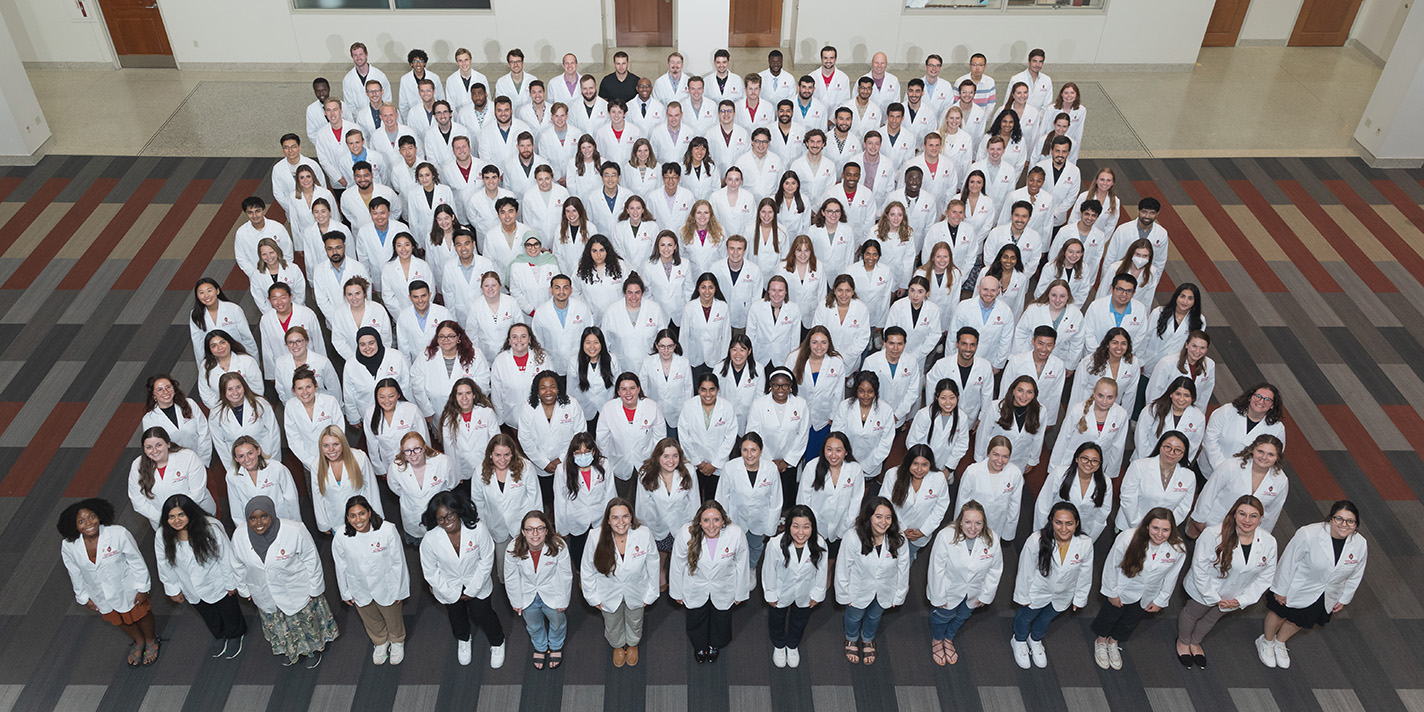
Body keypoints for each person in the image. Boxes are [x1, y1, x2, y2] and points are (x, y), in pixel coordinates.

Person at [1259, 501, 1367, 668]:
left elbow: (1356, 573)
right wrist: (1281, 588)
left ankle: (1280, 641)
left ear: (1356, 525)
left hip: (1326, 593)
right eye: (1339, 518)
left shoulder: (1360, 543)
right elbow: (1289, 561)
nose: (1344, 524)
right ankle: (1266, 641)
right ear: (1330, 519)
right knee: (1280, 614)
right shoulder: (1308, 533)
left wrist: (1345, 597)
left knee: (1301, 620)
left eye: (1350, 521)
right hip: (1297, 585)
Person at [232, 496, 336, 668]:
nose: (259, 523)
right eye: (253, 518)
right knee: (278, 622)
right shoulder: (239, 536)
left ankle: (312, 649)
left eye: (264, 516)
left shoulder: (294, 530)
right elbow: (237, 565)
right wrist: (244, 590)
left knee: (305, 622)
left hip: (296, 588)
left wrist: (315, 588)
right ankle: (289, 649)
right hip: (263, 591)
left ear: (272, 514)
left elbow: (312, 560)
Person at [1178, 495, 1277, 669]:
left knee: (1212, 618)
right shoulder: (1213, 534)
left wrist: (1243, 599)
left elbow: (1266, 576)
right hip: (1205, 588)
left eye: (1253, 516)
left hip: (1235, 595)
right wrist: (1213, 596)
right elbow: (1199, 567)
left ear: (1261, 518)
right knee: (1192, 613)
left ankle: (1195, 642)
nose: (1247, 520)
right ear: (1233, 514)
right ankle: (1183, 642)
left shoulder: (1269, 542)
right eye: (1242, 514)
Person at [59, 498, 159, 667]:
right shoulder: (69, 545)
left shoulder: (118, 533)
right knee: (118, 619)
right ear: (74, 525)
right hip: (99, 592)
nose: (89, 523)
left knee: (141, 614)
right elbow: (74, 572)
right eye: (81, 521)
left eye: (92, 517)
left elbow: (136, 561)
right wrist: (83, 597)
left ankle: (150, 640)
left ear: (99, 515)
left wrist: (143, 587)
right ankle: (138, 641)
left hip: (128, 587)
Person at [420, 491, 506, 668]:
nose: (446, 521)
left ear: (458, 511)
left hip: (477, 584)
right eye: (441, 518)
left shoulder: (477, 529)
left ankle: (498, 642)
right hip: (448, 588)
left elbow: (486, 559)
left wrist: (472, 590)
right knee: (456, 616)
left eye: (450, 515)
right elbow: (430, 572)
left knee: (484, 614)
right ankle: (464, 639)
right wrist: (451, 593)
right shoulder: (430, 540)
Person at [155, 494, 246, 659]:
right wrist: (173, 589)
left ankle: (235, 634)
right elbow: (164, 564)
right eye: (171, 517)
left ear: (190, 512)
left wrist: (230, 583)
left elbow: (225, 557)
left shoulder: (210, 528)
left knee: (228, 610)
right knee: (207, 613)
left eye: (181, 515)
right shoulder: (162, 535)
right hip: (190, 586)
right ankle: (220, 634)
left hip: (217, 581)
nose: (176, 520)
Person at [1094, 508, 1187, 670]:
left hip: (1148, 595)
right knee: (1109, 617)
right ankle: (1101, 642)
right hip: (1122, 590)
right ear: (1147, 526)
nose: (1160, 534)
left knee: (1130, 622)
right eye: (1155, 528)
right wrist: (1112, 592)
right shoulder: (1128, 538)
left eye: (1166, 530)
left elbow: (1172, 577)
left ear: (1172, 530)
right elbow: (1111, 565)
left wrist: (1161, 599)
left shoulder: (1177, 548)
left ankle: (1113, 642)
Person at [1011, 502, 1093, 669]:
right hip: (1037, 591)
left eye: (1069, 523)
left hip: (1063, 594)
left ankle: (1035, 639)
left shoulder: (1085, 543)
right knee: (1026, 617)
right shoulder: (1036, 540)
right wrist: (1023, 595)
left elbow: (1085, 573)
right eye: (1058, 522)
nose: (1063, 528)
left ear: (1076, 523)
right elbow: (1025, 571)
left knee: (1046, 618)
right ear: (1050, 521)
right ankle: (1019, 640)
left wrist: (1079, 597)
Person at [331, 495, 409, 665]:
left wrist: (400, 589)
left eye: (361, 514)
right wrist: (345, 592)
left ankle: (397, 641)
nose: (358, 520)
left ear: (369, 512)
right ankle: (380, 641)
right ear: (347, 517)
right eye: (352, 516)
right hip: (358, 586)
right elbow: (340, 566)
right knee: (370, 617)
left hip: (387, 585)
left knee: (392, 616)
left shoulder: (387, 530)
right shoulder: (341, 536)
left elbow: (399, 562)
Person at [582, 498, 660, 667]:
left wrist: (651, 593)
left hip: (637, 591)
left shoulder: (644, 534)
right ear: (608, 520)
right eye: (615, 517)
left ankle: (632, 643)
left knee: (635, 620)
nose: (621, 522)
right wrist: (592, 597)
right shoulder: (595, 537)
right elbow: (587, 570)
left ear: (631, 517)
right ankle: (617, 645)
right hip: (607, 593)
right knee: (612, 622)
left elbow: (653, 564)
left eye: (625, 516)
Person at [671, 500, 750, 663]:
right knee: (695, 618)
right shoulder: (686, 533)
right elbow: (677, 565)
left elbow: (742, 563)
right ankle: (699, 646)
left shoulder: (735, 533)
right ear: (699, 521)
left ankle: (715, 645)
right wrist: (677, 591)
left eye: (716, 520)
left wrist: (740, 591)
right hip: (694, 586)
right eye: (706, 520)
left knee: (721, 619)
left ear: (723, 521)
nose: (711, 525)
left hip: (724, 587)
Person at [926, 501, 1003, 667]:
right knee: (942, 618)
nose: (973, 528)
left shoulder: (992, 538)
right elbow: (936, 569)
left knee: (962, 616)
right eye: (968, 522)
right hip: (948, 591)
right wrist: (938, 596)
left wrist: (986, 594)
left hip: (975, 592)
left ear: (984, 524)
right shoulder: (946, 536)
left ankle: (948, 638)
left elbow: (995, 570)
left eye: (978, 523)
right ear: (960, 521)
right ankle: (937, 639)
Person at [836, 497, 910, 666]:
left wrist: (899, 594)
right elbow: (842, 568)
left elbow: (903, 569)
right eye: (878, 516)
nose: (883, 522)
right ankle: (851, 638)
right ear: (868, 516)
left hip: (885, 590)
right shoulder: (853, 536)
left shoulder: (898, 538)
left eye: (888, 517)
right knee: (854, 617)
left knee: (875, 616)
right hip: (857, 590)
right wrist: (843, 594)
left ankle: (867, 638)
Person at [760, 504, 827, 669]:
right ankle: (779, 644)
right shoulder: (775, 544)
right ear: (788, 525)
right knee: (777, 619)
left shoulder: (819, 543)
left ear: (812, 527)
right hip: (781, 591)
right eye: (795, 526)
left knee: (800, 620)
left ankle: (792, 645)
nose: (800, 532)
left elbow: (822, 570)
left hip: (806, 592)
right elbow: (768, 571)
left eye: (806, 527)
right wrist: (770, 593)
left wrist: (818, 593)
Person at [505, 510, 573, 670]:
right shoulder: (513, 548)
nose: (535, 533)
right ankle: (541, 647)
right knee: (533, 626)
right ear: (523, 531)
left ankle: (556, 645)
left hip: (553, 593)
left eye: (540, 528)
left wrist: (563, 600)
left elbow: (565, 575)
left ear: (547, 530)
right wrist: (516, 601)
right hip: (527, 594)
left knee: (557, 623)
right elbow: (511, 577)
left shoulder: (559, 546)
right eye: (529, 529)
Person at [470, 434, 543, 580]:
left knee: (528, 567)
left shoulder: (526, 467)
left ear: (512, 453)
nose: (502, 460)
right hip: (497, 528)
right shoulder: (480, 472)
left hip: (523, 527)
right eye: (497, 455)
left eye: (507, 455)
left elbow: (535, 501)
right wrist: (483, 530)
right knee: (504, 570)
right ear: (490, 454)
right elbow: (477, 504)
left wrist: (536, 529)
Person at [1192, 435, 1289, 536]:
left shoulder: (1281, 481)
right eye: (1260, 451)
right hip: (1215, 522)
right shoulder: (1232, 465)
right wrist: (1200, 518)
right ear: (1252, 450)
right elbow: (1210, 491)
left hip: (1246, 532)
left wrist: (1262, 536)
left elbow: (1272, 513)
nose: (1264, 457)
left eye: (1271, 454)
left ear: (1277, 457)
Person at [128, 427, 216, 530]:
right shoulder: (137, 465)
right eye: (149, 447)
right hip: (162, 520)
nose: (154, 451)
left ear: (168, 443)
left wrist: (179, 517)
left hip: (195, 513)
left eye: (159, 445)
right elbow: (137, 499)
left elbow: (197, 492)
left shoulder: (188, 457)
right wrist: (165, 518)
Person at [598, 373, 666, 500]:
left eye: (632, 388)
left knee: (647, 504)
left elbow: (660, 438)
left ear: (639, 389)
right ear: (618, 391)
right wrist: (607, 464)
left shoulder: (652, 406)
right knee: (625, 502)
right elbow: (602, 440)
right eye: (623, 389)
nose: (628, 393)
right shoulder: (608, 408)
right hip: (619, 464)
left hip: (647, 462)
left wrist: (655, 461)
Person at [797, 432, 865, 554]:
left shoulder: (855, 470)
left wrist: (845, 528)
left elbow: (856, 502)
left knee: (834, 560)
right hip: (815, 526)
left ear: (846, 452)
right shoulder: (812, 467)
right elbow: (803, 500)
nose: (833, 455)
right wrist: (809, 527)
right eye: (829, 450)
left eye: (838, 450)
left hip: (842, 526)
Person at [553, 432, 615, 565]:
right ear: (572, 453)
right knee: (578, 548)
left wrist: (612, 518)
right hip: (576, 517)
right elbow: (560, 501)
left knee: (601, 548)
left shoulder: (604, 464)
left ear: (593, 452)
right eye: (578, 452)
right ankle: (580, 572)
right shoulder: (562, 470)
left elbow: (610, 493)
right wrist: (562, 529)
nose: (583, 455)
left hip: (599, 516)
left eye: (586, 451)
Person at [1050, 378, 1129, 482]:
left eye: (1110, 397)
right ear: (1094, 393)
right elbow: (1063, 440)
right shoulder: (1077, 411)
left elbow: (1118, 446)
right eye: (1100, 396)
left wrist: (1110, 474)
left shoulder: (1121, 415)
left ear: (1116, 397)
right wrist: (1053, 469)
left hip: (1097, 467)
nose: (1104, 401)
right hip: (1072, 462)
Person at [1117, 431, 1197, 533]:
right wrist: (1140, 526)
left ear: (1184, 454)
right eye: (1167, 447)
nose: (1171, 453)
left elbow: (1183, 508)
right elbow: (1128, 498)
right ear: (1160, 446)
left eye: (1178, 450)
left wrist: (1163, 529)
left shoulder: (1189, 476)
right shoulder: (1138, 466)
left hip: (1161, 533)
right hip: (1131, 525)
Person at [788, 327, 848, 461]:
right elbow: (787, 389)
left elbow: (838, 394)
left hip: (823, 419)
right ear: (808, 342)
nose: (819, 347)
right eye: (815, 342)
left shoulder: (836, 362)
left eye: (823, 342)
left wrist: (834, 416)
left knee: (815, 457)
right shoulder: (794, 358)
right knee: (795, 452)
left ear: (829, 343)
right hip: (798, 416)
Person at [311, 425, 383, 535]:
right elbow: (318, 496)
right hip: (337, 522)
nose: (331, 450)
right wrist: (323, 523)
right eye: (326, 445)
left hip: (362, 520)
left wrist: (376, 519)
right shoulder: (316, 465)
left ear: (343, 443)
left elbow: (372, 489)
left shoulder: (359, 458)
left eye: (336, 444)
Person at [386, 430, 456, 543]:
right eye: (407, 451)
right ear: (402, 452)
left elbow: (452, 484)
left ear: (424, 447)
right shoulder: (395, 468)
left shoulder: (442, 461)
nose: (413, 454)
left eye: (417, 449)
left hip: (440, 516)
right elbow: (395, 488)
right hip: (413, 517)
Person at [882, 444, 950, 559]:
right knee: (889, 557)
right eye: (915, 464)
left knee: (910, 557)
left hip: (919, 535)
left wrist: (923, 531)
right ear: (908, 462)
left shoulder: (938, 478)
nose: (919, 469)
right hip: (895, 529)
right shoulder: (892, 475)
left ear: (930, 464)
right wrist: (901, 529)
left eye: (924, 465)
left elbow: (940, 508)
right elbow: (885, 505)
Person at [1201, 383, 1285, 476]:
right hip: (1210, 469)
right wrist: (1222, 469)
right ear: (1250, 397)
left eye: (1267, 399)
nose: (1261, 401)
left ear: (1273, 405)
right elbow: (1209, 441)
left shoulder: (1277, 428)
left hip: (1245, 478)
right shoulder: (1226, 411)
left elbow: (1273, 456)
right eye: (1258, 396)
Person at [1035, 443, 1113, 542]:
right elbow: (1043, 504)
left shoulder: (1106, 482)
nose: (1089, 464)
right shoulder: (1059, 474)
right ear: (1076, 459)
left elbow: (1102, 513)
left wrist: (1089, 540)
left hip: (1083, 532)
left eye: (1094, 461)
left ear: (1099, 465)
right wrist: (1041, 534)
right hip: (1054, 528)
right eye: (1085, 458)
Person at [208, 372, 281, 475]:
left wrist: (274, 461)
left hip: (265, 456)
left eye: (238, 387)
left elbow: (274, 433)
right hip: (238, 463)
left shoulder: (260, 404)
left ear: (244, 387)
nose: (235, 392)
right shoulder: (216, 413)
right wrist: (232, 470)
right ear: (223, 391)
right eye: (230, 389)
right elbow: (220, 444)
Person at [678, 373, 739, 496]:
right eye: (703, 390)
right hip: (694, 463)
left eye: (712, 389)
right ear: (698, 390)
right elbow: (684, 436)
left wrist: (715, 464)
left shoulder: (727, 407)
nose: (708, 394)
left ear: (717, 389)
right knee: (694, 499)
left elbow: (730, 438)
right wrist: (698, 462)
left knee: (715, 499)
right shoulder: (689, 406)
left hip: (717, 465)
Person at [955, 435, 1024, 542]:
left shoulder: (1015, 473)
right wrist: (959, 528)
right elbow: (961, 502)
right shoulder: (972, 471)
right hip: (972, 525)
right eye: (996, 455)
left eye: (1005, 456)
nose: (1000, 460)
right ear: (988, 453)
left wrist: (1008, 532)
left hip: (997, 524)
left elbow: (1014, 506)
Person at [831, 372, 896, 480]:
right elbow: (837, 435)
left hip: (871, 466)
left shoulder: (886, 410)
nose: (866, 396)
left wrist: (867, 466)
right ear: (856, 391)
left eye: (870, 392)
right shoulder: (844, 406)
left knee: (864, 492)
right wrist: (847, 461)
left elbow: (885, 443)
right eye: (861, 391)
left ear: (875, 391)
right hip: (845, 461)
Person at [227, 436, 301, 528]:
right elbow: (236, 508)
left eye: (250, 453)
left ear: (258, 451)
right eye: (241, 456)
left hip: (282, 520)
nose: (247, 459)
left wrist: (296, 525)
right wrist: (242, 531)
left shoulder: (277, 468)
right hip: (254, 526)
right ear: (236, 458)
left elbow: (291, 499)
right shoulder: (232, 476)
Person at [975, 375, 1046, 472]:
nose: (1024, 396)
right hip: (993, 458)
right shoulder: (995, 408)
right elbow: (983, 434)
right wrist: (979, 460)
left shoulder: (1041, 411)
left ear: (1034, 395)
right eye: (1020, 390)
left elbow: (1038, 437)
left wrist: (1032, 460)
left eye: (1029, 392)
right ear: (1013, 391)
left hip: (1019, 459)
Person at [488, 323, 553, 427]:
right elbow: (496, 394)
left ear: (529, 339)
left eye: (523, 336)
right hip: (512, 420)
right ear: (509, 341)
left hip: (540, 419)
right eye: (514, 337)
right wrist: (500, 422)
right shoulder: (500, 361)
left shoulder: (543, 358)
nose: (519, 340)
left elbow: (552, 387)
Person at [143, 375, 213, 467]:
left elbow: (204, 432)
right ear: (153, 395)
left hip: (200, 459)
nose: (165, 392)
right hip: (172, 465)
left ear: (174, 388)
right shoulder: (149, 419)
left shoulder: (190, 404)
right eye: (159, 389)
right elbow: (155, 448)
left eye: (168, 387)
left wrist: (202, 461)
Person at [362, 379, 428, 477]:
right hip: (388, 464)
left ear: (398, 395)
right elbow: (372, 445)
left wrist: (424, 463)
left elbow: (424, 439)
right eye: (382, 397)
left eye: (391, 396)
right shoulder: (370, 413)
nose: (386, 401)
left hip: (414, 461)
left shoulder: (411, 410)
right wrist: (380, 469)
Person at [907, 379, 969, 482]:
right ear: (936, 397)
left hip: (946, 466)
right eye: (943, 398)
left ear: (958, 397)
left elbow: (961, 445)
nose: (948, 403)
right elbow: (913, 443)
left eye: (952, 398)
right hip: (922, 466)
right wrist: (924, 466)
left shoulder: (962, 418)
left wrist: (948, 469)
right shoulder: (924, 415)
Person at [1070, 328, 1142, 417]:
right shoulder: (1089, 362)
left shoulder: (1133, 362)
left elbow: (1131, 393)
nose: (1119, 347)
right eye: (1115, 343)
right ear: (1107, 344)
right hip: (1088, 409)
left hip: (1113, 411)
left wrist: (1124, 418)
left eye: (1123, 343)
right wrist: (1075, 416)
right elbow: (1077, 392)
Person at [1136, 377, 1207, 464]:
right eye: (1178, 394)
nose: (1181, 399)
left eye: (1186, 395)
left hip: (1175, 465)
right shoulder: (1153, 409)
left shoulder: (1199, 417)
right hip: (1146, 459)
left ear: (1192, 398)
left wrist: (1179, 465)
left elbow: (1193, 446)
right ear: (1171, 394)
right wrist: (1151, 461)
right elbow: (1141, 437)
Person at [639, 329, 691, 438]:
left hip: (677, 414)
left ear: (675, 346)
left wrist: (687, 415)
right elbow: (643, 390)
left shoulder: (683, 363)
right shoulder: (648, 362)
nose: (666, 350)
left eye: (670, 346)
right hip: (654, 413)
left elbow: (688, 391)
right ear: (656, 346)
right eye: (662, 346)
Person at [813, 276, 871, 373]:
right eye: (840, 290)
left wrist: (843, 357)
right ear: (834, 291)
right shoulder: (824, 306)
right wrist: (827, 353)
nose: (844, 295)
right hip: (825, 355)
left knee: (845, 379)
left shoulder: (861, 309)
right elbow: (816, 332)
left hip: (850, 359)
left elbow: (862, 339)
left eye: (848, 291)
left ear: (853, 292)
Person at [1144, 330, 1216, 409]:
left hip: (1189, 411)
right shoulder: (1167, 362)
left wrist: (1199, 414)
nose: (1197, 351)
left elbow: (1205, 394)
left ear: (1207, 349)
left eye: (1202, 348)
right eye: (1194, 346)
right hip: (1165, 409)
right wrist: (1154, 413)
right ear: (1186, 345)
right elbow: (1153, 391)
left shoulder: (1209, 365)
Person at [200, 329, 265, 410]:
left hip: (250, 407)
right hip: (221, 410)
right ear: (209, 349)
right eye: (214, 346)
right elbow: (205, 393)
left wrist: (247, 408)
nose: (220, 348)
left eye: (222, 342)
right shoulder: (206, 366)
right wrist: (220, 410)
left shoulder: (247, 361)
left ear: (229, 342)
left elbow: (257, 388)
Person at [680, 273, 733, 371]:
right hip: (695, 359)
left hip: (715, 359)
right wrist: (684, 361)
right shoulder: (689, 307)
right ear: (698, 289)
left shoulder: (723, 307)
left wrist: (724, 360)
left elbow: (726, 336)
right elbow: (683, 337)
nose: (707, 291)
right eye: (703, 287)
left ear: (716, 288)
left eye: (711, 287)